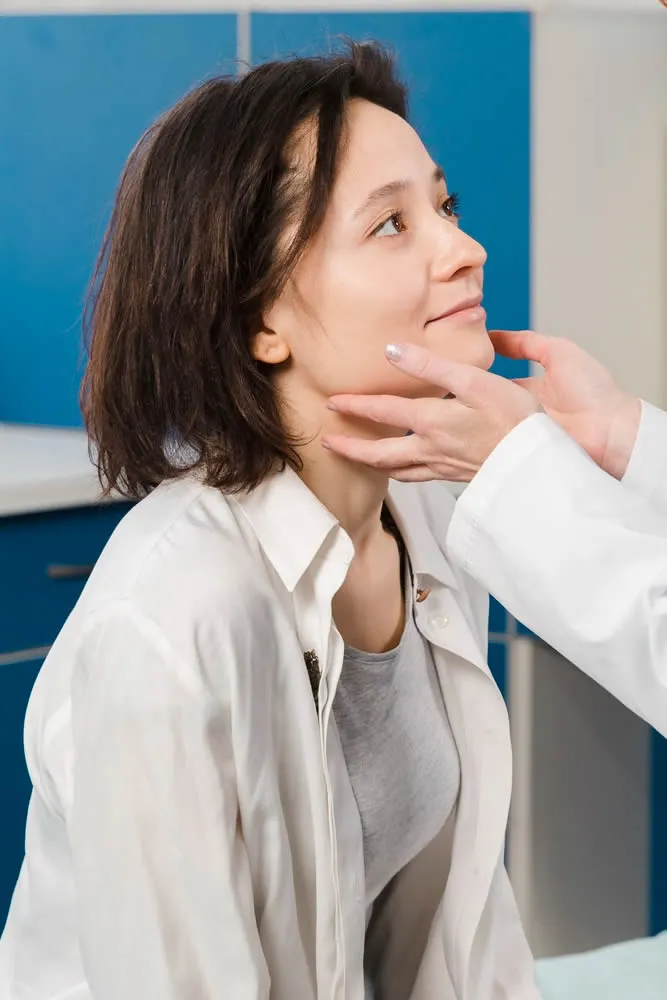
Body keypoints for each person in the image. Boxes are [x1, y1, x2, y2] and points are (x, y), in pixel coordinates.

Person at [0, 43, 542, 1000]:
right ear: (260, 319)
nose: (465, 248)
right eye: (390, 224)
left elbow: (455, 931)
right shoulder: (175, 621)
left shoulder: (428, 512)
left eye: (444, 206)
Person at [322, 332, 667, 737]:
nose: (475, 262)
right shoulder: (232, 573)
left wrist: (519, 467)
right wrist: (623, 437)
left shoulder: (432, 523)